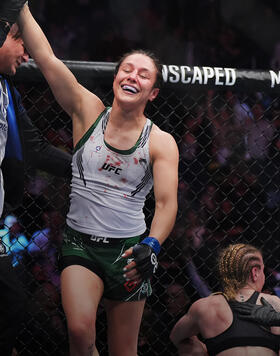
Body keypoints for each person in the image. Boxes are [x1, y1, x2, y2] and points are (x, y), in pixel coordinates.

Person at [17, 3, 179, 356]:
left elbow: (167, 203)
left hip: (128, 251)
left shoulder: (161, 142)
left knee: (123, 351)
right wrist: (21, 7)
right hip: (81, 245)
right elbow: (46, 58)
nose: (132, 76)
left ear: (153, 93)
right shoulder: (87, 109)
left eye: (143, 74)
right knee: (79, 332)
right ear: (115, 77)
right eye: (127, 69)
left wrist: (152, 244)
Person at [0, 4, 72, 354]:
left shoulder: (7, 94)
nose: (26, 54)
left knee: (13, 304)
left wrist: (90, 170)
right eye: (18, 42)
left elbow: (37, 149)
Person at [170, 243, 280, 356]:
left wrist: (200, 349)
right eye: (263, 270)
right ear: (255, 272)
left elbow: (176, 337)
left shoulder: (206, 306)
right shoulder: (274, 303)